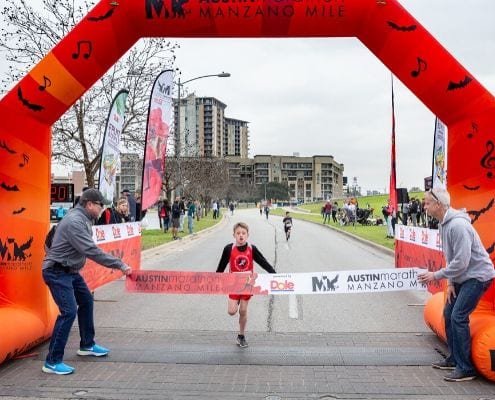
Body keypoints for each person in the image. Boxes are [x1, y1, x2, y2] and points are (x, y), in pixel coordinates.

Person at [41, 189, 132, 375]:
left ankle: (87, 345)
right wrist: (119, 264)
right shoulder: (75, 221)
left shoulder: (83, 218)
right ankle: (51, 361)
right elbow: (91, 250)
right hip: (57, 272)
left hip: (70, 271)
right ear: (89, 204)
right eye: (100, 205)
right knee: (68, 311)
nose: (102, 208)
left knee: (86, 301)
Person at [418, 188, 495, 382]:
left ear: (439, 204)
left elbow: (461, 261)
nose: (424, 206)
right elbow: (451, 257)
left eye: (427, 203)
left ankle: (466, 368)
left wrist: (434, 275)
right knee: (447, 314)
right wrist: (450, 282)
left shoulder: (458, 226)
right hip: (463, 276)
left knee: (458, 316)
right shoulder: (444, 224)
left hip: (478, 276)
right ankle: (454, 359)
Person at [216, 222, 276, 348]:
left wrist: (274, 274)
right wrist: (215, 278)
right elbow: (221, 265)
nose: (241, 236)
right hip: (233, 284)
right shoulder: (229, 248)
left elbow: (262, 262)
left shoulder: (252, 249)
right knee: (232, 311)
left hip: (248, 284)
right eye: (238, 233)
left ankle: (241, 336)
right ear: (234, 235)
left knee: (243, 310)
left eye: (243, 233)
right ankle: (236, 301)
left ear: (248, 235)